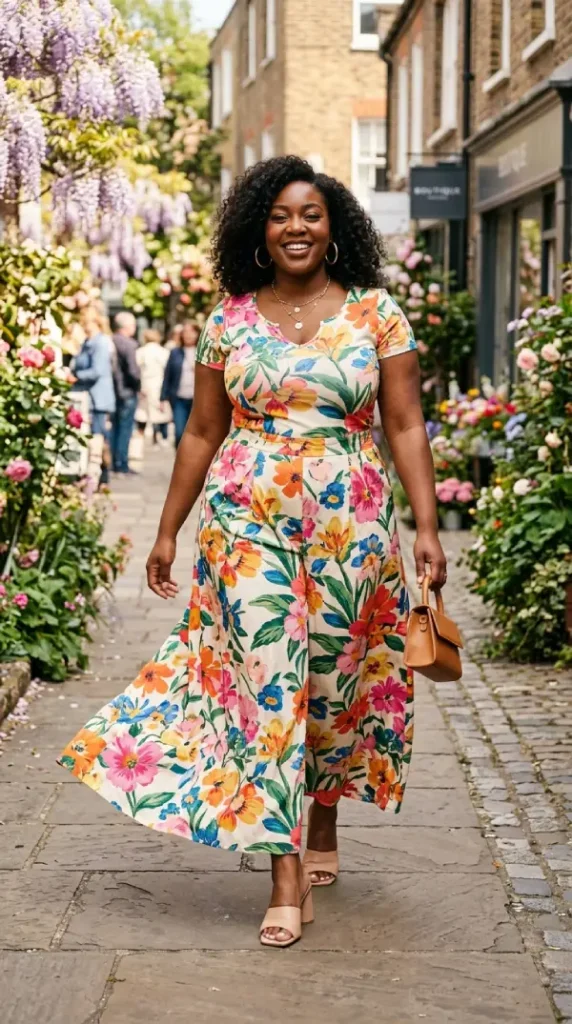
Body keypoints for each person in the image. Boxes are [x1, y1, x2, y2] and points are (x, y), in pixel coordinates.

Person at [59, 156, 447, 949]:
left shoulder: (378, 315)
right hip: (246, 524)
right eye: (278, 216)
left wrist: (429, 527)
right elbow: (202, 430)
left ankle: (326, 819)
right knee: (269, 685)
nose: (295, 227)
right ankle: (284, 871)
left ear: (334, 225)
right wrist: (169, 528)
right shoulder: (229, 320)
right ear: (257, 232)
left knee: (333, 685)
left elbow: (404, 425)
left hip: (353, 528)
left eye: (310, 213)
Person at [72, 305, 116, 485]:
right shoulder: (87, 342)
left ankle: (95, 476)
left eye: (85, 322)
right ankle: (96, 474)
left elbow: (98, 370)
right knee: (93, 436)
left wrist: (74, 376)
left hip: (98, 397)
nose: (82, 325)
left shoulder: (100, 342)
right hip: (87, 397)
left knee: (97, 435)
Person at [160, 321, 199, 447]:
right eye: (185, 332)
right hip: (179, 398)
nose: (188, 335)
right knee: (179, 431)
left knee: (195, 432)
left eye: (192, 332)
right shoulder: (175, 352)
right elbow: (167, 375)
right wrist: (163, 397)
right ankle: (180, 458)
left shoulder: (203, 352)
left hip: (197, 399)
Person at [111, 311, 141, 474]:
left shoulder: (111, 340)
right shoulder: (128, 344)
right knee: (125, 429)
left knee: (115, 427)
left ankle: (114, 461)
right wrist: (138, 385)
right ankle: (121, 463)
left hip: (114, 391)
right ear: (128, 326)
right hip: (127, 391)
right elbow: (133, 371)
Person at [135, 328, 171, 446]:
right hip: (159, 384)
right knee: (158, 412)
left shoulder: (140, 351)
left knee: (143, 413)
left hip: (145, 385)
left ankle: (140, 438)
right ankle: (159, 436)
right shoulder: (163, 351)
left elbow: (137, 370)